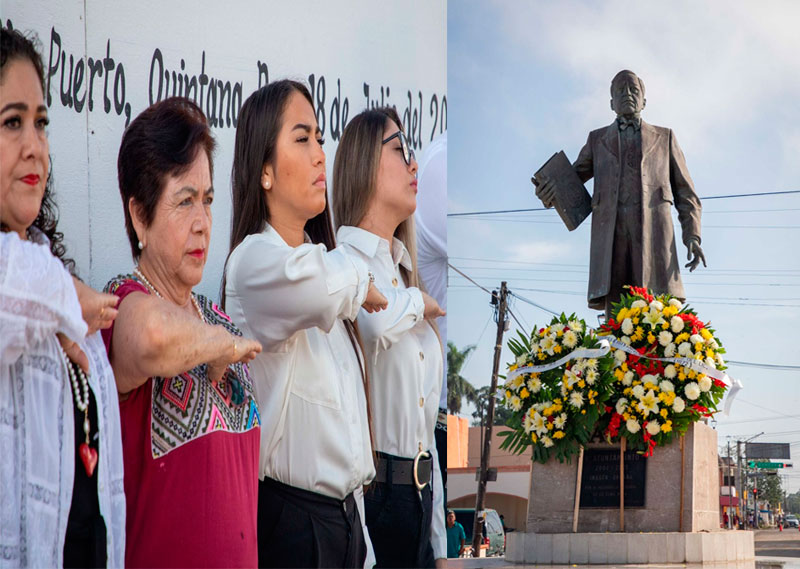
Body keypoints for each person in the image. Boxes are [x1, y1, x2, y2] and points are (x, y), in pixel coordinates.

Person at [222, 80, 388, 569]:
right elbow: (321, 286)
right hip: (293, 526)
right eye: (302, 138)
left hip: (347, 523)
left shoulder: (326, 267)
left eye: (319, 137)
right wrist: (363, 277)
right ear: (265, 172)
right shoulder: (254, 261)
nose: (321, 154)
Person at [101, 97, 263, 567]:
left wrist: (220, 338)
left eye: (208, 200)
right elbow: (152, 336)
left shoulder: (219, 319)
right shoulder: (120, 302)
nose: (203, 223)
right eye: (185, 201)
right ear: (139, 216)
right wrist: (220, 346)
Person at [0, 27, 125, 568]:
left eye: (41, 123)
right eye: (11, 122)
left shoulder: (55, 278)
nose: (34, 145)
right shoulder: (49, 287)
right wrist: (68, 295)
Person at [333, 107, 447, 568]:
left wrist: (439, 543)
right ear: (363, 161)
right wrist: (419, 302)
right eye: (400, 150)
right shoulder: (342, 262)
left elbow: (426, 433)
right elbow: (374, 323)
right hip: (376, 499)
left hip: (419, 499)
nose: (414, 165)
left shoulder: (402, 272)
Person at [533, 70, 705, 317]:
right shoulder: (597, 140)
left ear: (644, 101)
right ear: (611, 102)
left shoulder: (664, 138)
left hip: (654, 236)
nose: (627, 94)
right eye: (620, 90)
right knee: (617, 315)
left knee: (656, 313)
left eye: (634, 90)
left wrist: (693, 236)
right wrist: (549, 191)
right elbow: (569, 181)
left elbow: (686, 194)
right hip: (612, 237)